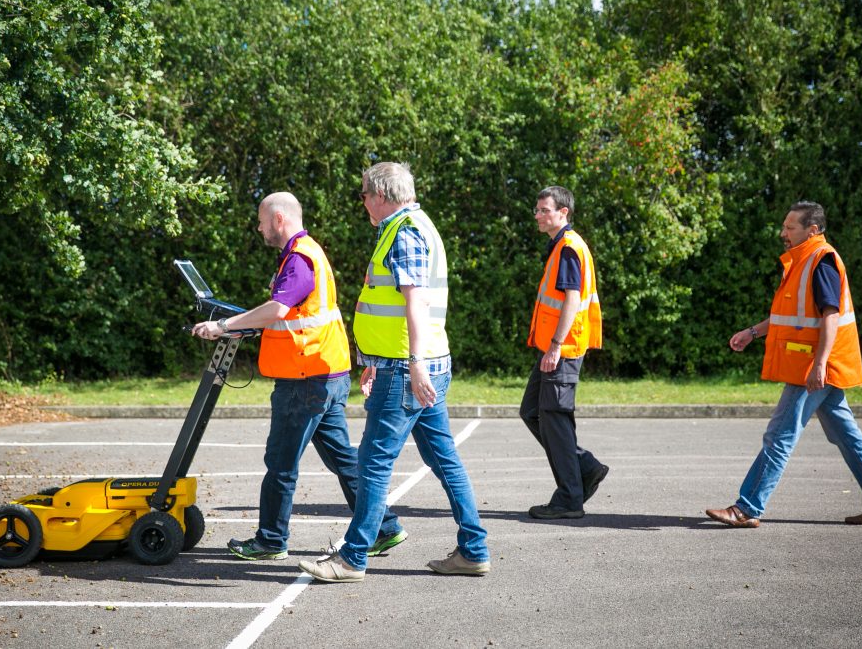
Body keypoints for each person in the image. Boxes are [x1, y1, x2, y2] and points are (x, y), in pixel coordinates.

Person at [298, 162, 490, 582]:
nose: (363, 201)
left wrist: (412, 364)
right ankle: (473, 549)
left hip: (408, 369)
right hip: (411, 365)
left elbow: (414, 302)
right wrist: (374, 360)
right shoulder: (410, 226)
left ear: (381, 194)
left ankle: (352, 558)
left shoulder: (405, 230)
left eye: (365, 194)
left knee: (372, 463)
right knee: (444, 460)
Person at [191, 191, 406, 559]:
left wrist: (223, 325)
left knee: (281, 463)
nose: (258, 228)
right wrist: (244, 326)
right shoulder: (307, 253)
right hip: (325, 373)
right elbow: (288, 315)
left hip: (305, 378)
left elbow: (277, 308)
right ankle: (385, 527)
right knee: (343, 459)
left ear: (278, 219)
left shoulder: (299, 259)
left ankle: (271, 541)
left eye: (261, 220)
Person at [706, 201, 862, 528]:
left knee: (779, 436)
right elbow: (791, 318)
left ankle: (747, 508)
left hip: (813, 367)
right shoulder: (802, 260)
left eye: (790, 227)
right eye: (784, 226)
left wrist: (819, 364)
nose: (783, 233)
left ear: (813, 229)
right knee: (847, 435)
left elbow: (830, 316)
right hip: (820, 365)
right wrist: (752, 332)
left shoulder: (820, 260)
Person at [519, 186, 608, 520]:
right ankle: (584, 467)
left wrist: (556, 346)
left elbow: (571, 299)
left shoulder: (569, 248)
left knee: (554, 418)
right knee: (533, 411)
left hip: (563, 348)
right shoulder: (561, 246)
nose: (539, 215)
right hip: (554, 348)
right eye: (537, 210)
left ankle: (570, 498)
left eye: (544, 210)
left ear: (563, 213)